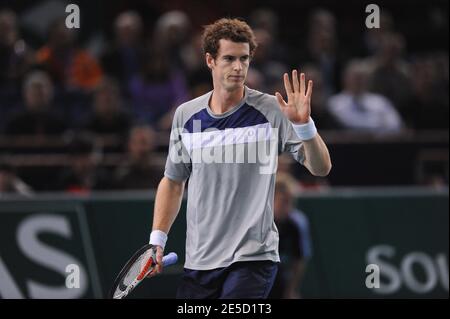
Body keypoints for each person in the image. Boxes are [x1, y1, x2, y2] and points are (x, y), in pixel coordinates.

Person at [144, 18, 331, 299]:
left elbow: (320, 167)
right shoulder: (186, 115)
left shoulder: (273, 110)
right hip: (200, 261)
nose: (238, 67)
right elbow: (172, 182)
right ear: (210, 60)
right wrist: (157, 239)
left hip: (253, 258)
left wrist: (305, 127)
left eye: (244, 59)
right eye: (229, 58)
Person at [268, 173, 312, 299]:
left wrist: (291, 290)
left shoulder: (296, 224)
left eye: (290, 201)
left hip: (280, 277)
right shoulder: (259, 221)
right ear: (271, 198)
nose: (288, 206)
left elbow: (300, 259)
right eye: (283, 201)